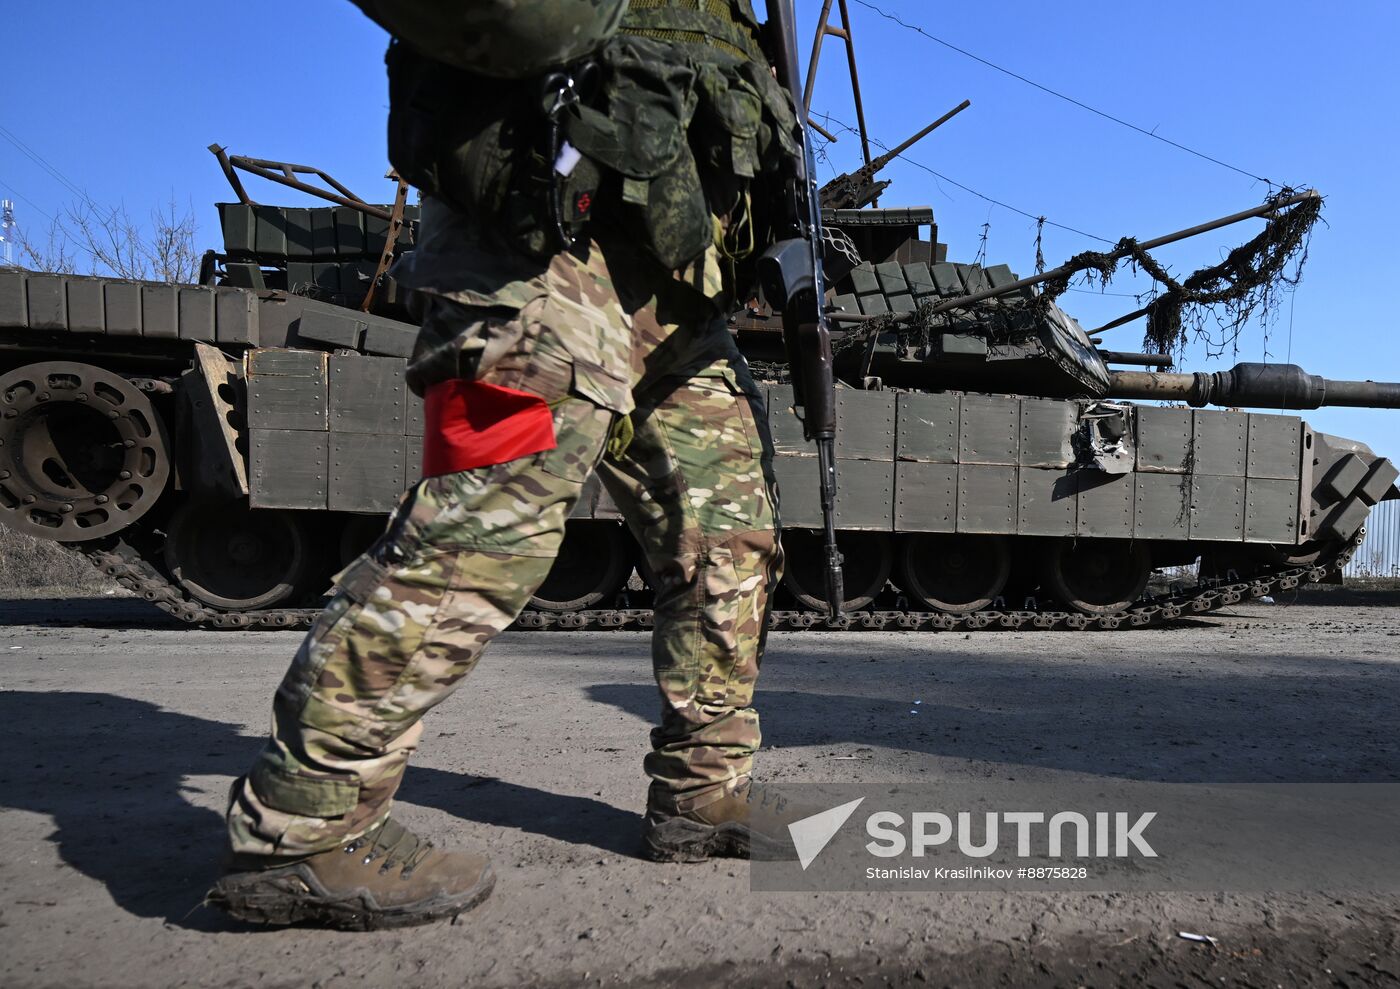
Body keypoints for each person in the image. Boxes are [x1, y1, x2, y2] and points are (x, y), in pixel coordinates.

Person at [209, 0, 803, 930]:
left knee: (730, 534)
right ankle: (303, 829)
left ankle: (704, 790)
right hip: (540, 254)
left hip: (681, 285)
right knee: (485, 532)